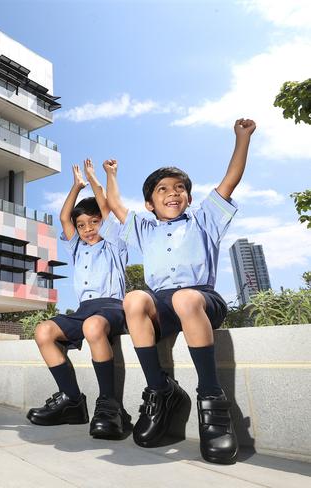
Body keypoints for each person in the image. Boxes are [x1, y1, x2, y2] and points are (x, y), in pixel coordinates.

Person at [104, 119, 256, 464]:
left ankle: (212, 400)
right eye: (162, 189)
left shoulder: (204, 220)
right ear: (149, 204)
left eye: (179, 188)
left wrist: (242, 138)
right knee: (133, 299)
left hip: (201, 299)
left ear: (188, 197)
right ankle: (160, 390)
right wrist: (112, 174)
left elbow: (230, 181)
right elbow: (114, 205)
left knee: (185, 297)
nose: (172, 193)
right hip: (162, 305)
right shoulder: (144, 229)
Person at [27, 159, 130, 439]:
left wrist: (97, 178)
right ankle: (72, 401)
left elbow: (108, 208)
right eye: (82, 225)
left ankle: (109, 405)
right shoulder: (77, 248)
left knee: (93, 327)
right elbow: (64, 218)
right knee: (44, 331)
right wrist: (75, 186)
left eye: (94, 222)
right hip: (83, 310)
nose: (88, 228)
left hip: (112, 307)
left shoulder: (114, 244)